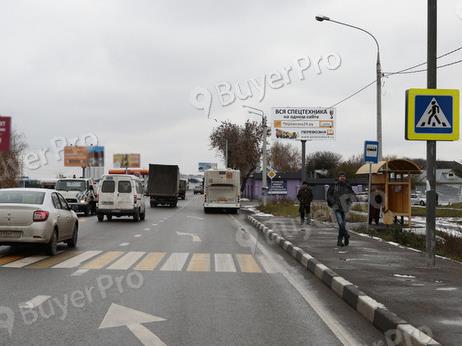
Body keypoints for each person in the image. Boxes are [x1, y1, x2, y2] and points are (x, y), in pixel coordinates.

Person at [327, 172, 357, 247]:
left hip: (344, 207)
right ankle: (346, 235)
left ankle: (339, 241)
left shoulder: (347, 186)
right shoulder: (334, 185)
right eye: (341, 176)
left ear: (345, 178)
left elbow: (352, 195)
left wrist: (349, 202)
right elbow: (329, 194)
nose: (342, 177)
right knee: (340, 223)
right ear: (338, 177)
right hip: (336, 207)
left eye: (344, 176)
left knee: (342, 224)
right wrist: (332, 202)